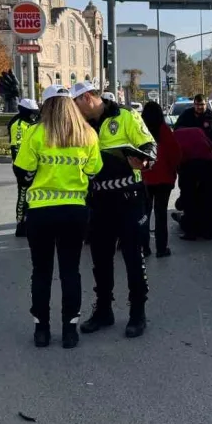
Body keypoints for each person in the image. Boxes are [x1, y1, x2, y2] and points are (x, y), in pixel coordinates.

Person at [15, 85, 103, 348]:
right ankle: (70, 331)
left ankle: (41, 330)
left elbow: (23, 172)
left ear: (46, 105)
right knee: (70, 271)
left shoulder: (35, 133)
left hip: (41, 213)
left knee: (41, 272)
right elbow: (94, 170)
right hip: (74, 212)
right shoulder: (87, 133)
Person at [72, 81, 156, 338]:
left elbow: (150, 147)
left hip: (129, 198)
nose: (74, 111)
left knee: (133, 257)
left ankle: (137, 312)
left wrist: (142, 160)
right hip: (98, 201)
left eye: (76, 104)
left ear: (87, 98)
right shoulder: (81, 125)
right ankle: (104, 310)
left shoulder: (126, 116)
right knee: (100, 260)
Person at [140, 101, 182, 258]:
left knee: (144, 214)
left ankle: (144, 247)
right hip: (164, 179)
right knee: (160, 214)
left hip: (145, 178)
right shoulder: (164, 130)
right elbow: (175, 153)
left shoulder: (140, 131)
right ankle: (161, 248)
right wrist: (173, 169)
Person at [172, 126, 212, 240]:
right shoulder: (199, 131)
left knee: (189, 199)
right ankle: (208, 232)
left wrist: (178, 171)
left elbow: (174, 156)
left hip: (188, 167)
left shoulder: (175, 136)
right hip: (206, 165)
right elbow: (211, 146)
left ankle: (191, 233)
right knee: (207, 197)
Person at [9, 98, 41, 237]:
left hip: (33, 165)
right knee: (23, 195)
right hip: (22, 166)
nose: (33, 115)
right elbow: (16, 148)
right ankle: (20, 225)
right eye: (31, 112)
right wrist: (22, 170)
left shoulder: (32, 123)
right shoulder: (18, 124)